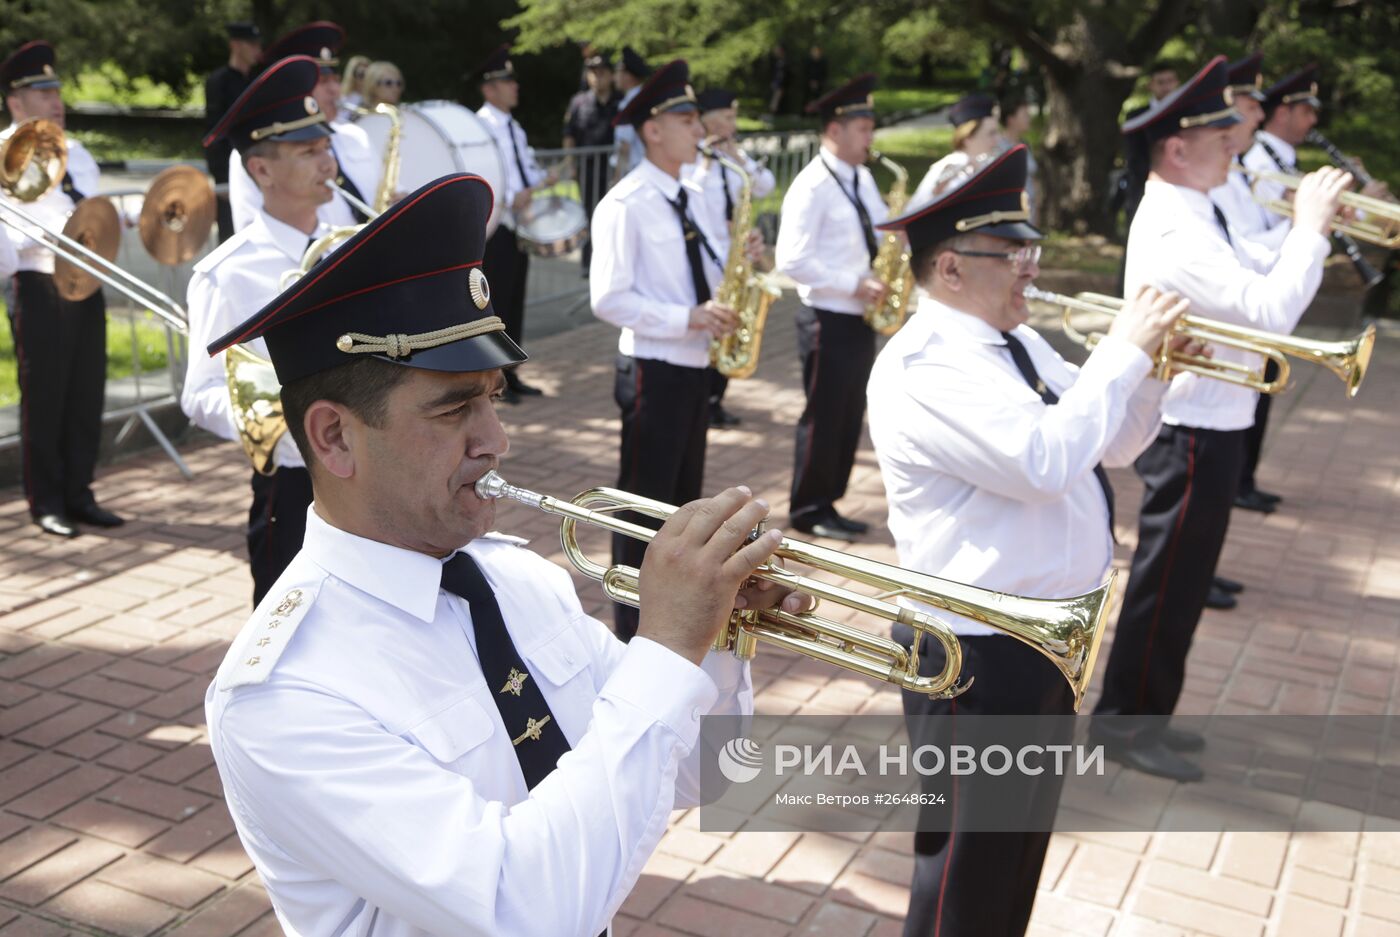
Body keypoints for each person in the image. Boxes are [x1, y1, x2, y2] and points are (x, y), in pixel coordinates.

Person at [204, 171, 807, 936]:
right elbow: (526, 912)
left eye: (493, 395)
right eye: (455, 407)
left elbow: (699, 773)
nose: (496, 437)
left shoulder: (516, 576)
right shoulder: (286, 693)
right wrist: (665, 644)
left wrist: (713, 638)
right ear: (333, 436)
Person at [868, 144, 1193, 937]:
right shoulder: (924, 365)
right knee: (963, 873)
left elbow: (1111, 445)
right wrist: (1122, 350)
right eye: (1011, 253)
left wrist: (1149, 371)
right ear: (949, 268)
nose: (1030, 268)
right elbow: (1044, 461)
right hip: (975, 651)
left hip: (1040, 637)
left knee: (1015, 855)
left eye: (1029, 249)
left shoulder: (1012, 343)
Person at [1091, 56, 1351, 782]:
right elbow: (1270, 311)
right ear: (1177, 147)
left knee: (1182, 583)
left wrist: (1303, 232)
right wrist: (1312, 230)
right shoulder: (1175, 227)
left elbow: (1249, 271)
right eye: (1217, 131)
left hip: (1217, 420)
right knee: (1166, 584)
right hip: (1193, 426)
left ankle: (1147, 715)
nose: (1234, 135)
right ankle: (1124, 723)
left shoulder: (1198, 205)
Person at [183, 55, 343, 604]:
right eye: (307, 152)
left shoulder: (353, 248)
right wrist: (283, 435)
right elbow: (199, 394)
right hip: (295, 478)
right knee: (288, 625)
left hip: (371, 468)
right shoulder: (227, 274)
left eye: (325, 146)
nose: (327, 161)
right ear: (262, 171)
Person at [591, 60, 737, 641]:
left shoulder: (695, 192)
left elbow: (708, 263)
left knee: (683, 500)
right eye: (686, 118)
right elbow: (608, 298)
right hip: (653, 366)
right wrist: (687, 317)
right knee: (641, 505)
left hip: (694, 363)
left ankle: (672, 617)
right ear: (653, 129)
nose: (699, 129)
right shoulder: (626, 203)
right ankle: (632, 624)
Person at [0, 40, 123, 538]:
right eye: (43, 91)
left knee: (86, 391)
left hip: (85, 281)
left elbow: (91, 210)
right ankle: (46, 501)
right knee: (45, 396)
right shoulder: (5, 151)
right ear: (15, 100)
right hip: (38, 280)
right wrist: (46, 236)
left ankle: (80, 493)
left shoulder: (80, 154)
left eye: (58, 91)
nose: (56, 101)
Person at [775, 74, 889, 542]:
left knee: (847, 415)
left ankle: (831, 501)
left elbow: (881, 229)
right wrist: (853, 282)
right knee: (823, 416)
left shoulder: (859, 177)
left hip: (858, 316)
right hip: (826, 317)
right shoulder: (812, 185)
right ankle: (808, 507)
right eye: (863, 128)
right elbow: (792, 259)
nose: (870, 138)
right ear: (835, 130)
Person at [227, 22, 380, 233]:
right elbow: (253, 237)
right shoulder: (256, 148)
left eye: (335, 79)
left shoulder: (355, 135)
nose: (336, 90)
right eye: (323, 81)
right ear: (295, 88)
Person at [476, 45, 557, 402]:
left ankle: (512, 372)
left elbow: (523, 166)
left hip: (519, 224)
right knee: (498, 303)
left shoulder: (515, 128)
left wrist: (543, 180)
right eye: (507, 82)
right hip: (498, 226)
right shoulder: (481, 126)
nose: (515, 87)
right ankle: (494, 378)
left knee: (516, 299)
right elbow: (484, 174)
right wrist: (509, 198)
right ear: (489, 88)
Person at [692, 87, 776, 429]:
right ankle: (705, 399)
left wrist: (737, 156)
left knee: (731, 325)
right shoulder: (696, 157)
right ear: (706, 119)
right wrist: (709, 156)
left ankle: (717, 399)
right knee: (712, 327)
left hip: (734, 257)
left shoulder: (733, 155)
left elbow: (765, 184)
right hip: (707, 257)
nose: (733, 123)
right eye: (726, 117)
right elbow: (692, 192)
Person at [203, 22, 262, 242]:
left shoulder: (257, 80)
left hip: (257, 166)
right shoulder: (219, 81)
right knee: (230, 235)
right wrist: (221, 176)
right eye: (252, 44)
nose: (257, 50)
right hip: (230, 169)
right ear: (236, 45)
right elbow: (213, 131)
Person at [565, 49, 623, 272]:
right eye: (593, 72)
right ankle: (589, 264)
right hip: (587, 169)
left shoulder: (620, 102)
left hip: (613, 170)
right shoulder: (579, 102)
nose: (597, 77)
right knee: (590, 215)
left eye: (602, 72)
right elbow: (569, 134)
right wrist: (571, 164)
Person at [1118, 61, 1181, 238]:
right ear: (1150, 85)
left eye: (1170, 81)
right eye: (1161, 82)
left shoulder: (1187, 116)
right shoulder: (1137, 117)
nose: (1167, 87)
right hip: (1144, 189)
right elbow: (1134, 158)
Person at [911, 93, 1001, 207]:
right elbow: (916, 209)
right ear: (968, 138)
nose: (997, 139)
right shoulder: (949, 165)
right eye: (991, 133)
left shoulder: (986, 163)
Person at [611, 46, 652, 184]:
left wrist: (617, 179)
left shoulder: (630, 104)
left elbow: (624, 146)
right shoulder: (645, 98)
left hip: (635, 171)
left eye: (617, 73)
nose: (614, 78)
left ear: (627, 76)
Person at [997, 93, 1038, 222]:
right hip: (1010, 215)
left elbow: (1032, 178)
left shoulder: (1025, 145)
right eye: (1025, 115)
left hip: (1029, 212)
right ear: (1011, 119)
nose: (1029, 118)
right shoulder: (998, 148)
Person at [804, 45, 827, 111]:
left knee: (817, 98)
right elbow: (806, 72)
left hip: (819, 83)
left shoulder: (823, 62)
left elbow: (824, 73)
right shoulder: (808, 61)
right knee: (807, 97)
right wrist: (810, 81)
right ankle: (804, 113)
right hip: (808, 82)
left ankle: (815, 113)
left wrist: (818, 82)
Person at [766, 44, 786, 118]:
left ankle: (774, 114)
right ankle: (773, 114)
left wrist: (778, 83)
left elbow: (781, 75)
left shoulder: (783, 61)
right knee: (775, 99)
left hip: (780, 84)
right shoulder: (777, 61)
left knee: (776, 100)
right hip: (777, 84)